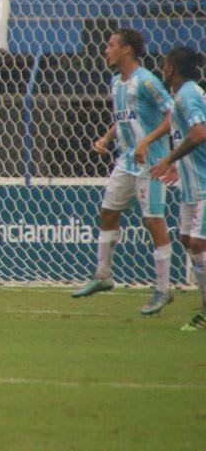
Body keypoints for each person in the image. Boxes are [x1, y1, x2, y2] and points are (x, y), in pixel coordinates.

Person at [73, 29, 174, 315]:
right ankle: (103, 274)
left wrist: (147, 140)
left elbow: (171, 116)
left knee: (153, 221)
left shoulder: (148, 82)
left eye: (111, 45)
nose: (106, 50)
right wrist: (106, 137)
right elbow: (125, 118)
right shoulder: (116, 82)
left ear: (127, 50)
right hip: (126, 161)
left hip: (151, 163)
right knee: (107, 211)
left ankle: (163, 288)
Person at [149, 47, 206, 330]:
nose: (162, 68)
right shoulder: (181, 96)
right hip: (191, 184)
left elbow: (199, 133)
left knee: (198, 243)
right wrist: (176, 164)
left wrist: (169, 158)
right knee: (187, 239)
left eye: (164, 63)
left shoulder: (187, 95)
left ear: (171, 69)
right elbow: (189, 137)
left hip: (205, 184)